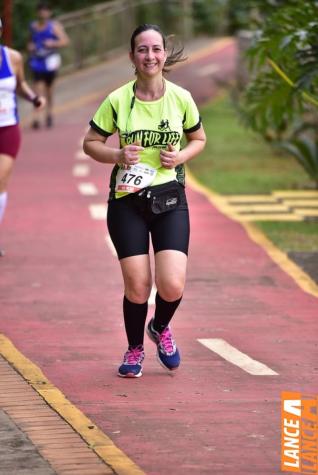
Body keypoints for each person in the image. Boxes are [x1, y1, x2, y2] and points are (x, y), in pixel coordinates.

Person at [83, 24, 206, 378]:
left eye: (155, 49)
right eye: (142, 50)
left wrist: (180, 157)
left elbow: (199, 139)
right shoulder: (118, 99)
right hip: (127, 202)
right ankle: (135, 348)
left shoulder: (181, 97)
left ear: (164, 55)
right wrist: (118, 154)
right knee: (138, 286)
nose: (149, 56)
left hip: (169, 199)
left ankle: (160, 327)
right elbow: (90, 143)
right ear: (132, 56)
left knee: (172, 284)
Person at [0, 18, 45, 256]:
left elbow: (20, 84)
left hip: (7, 128)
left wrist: (34, 97)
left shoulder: (13, 58)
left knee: (0, 181)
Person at [27, 1, 69, 129]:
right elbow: (29, 43)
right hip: (37, 62)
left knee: (49, 90)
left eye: (45, 10)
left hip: (50, 61)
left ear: (49, 12)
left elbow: (65, 41)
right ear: (37, 12)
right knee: (38, 89)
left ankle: (49, 114)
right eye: (41, 10)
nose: (43, 13)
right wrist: (30, 47)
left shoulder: (54, 26)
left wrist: (53, 43)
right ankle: (36, 117)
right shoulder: (33, 26)